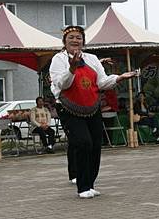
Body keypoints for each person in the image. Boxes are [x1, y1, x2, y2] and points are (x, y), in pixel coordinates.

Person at [50, 25, 137, 199]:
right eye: (72, 37)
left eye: (79, 37)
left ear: (83, 41)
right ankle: (82, 186)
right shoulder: (58, 59)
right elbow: (62, 84)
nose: (76, 40)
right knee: (83, 143)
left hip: (91, 107)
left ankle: (90, 183)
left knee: (96, 144)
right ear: (64, 41)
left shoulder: (92, 58)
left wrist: (119, 78)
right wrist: (72, 68)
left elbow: (102, 82)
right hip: (69, 108)